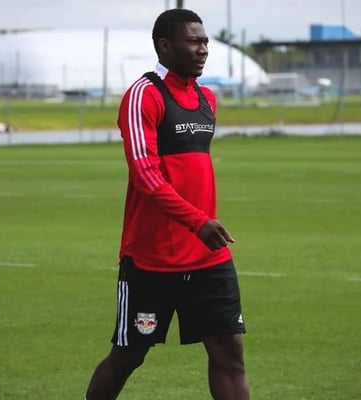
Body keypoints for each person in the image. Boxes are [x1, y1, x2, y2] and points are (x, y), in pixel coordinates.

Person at [85, 8, 249, 400]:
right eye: (193, 41)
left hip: (208, 255)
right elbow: (146, 175)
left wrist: (201, 227)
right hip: (152, 259)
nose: (203, 49)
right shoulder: (143, 95)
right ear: (165, 46)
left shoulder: (207, 98)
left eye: (205, 41)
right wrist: (198, 221)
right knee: (129, 355)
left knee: (228, 352)